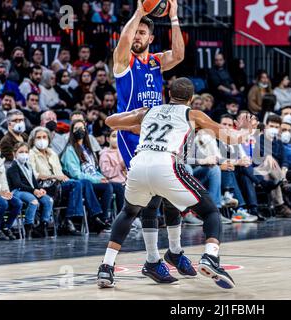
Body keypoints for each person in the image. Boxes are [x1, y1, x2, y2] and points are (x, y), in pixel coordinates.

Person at [97, 77, 257, 289]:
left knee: (128, 212)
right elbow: (231, 137)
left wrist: (139, 122)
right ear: (191, 98)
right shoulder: (193, 114)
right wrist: (246, 130)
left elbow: (111, 121)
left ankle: (106, 267)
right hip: (166, 164)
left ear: (168, 94)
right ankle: (210, 257)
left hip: (138, 164)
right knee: (210, 212)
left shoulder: (149, 111)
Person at [112, 0, 189, 283]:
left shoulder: (156, 61)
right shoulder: (123, 62)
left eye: (142, 33)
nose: (137, 37)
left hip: (157, 137)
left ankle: (171, 253)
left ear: (151, 38)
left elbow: (179, 54)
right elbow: (123, 39)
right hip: (132, 136)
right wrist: (138, 13)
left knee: (166, 197)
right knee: (149, 201)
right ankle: (154, 259)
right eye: (135, 33)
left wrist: (175, 17)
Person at [28, 126, 105, 235]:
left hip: (58, 185)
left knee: (85, 182)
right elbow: (33, 175)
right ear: (33, 140)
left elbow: (59, 173)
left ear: (49, 139)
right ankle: (68, 220)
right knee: (76, 184)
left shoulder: (52, 153)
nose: (42, 140)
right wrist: (53, 177)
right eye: (39, 137)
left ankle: (94, 216)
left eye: (44, 137)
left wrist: (64, 178)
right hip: (44, 186)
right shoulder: (31, 154)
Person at [60, 120, 114, 229]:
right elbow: (76, 174)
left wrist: (101, 178)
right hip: (80, 182)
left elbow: (94, 170)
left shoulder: (88, 150)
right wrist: (97, 180)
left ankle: (107, 219)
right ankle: (97, 217)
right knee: (96, 184)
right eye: (76, 129)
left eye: (82, 128)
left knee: (113, 186)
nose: (80, 131)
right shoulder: (70, 150)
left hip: (91, 180)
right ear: (72, 132)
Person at [7, 142, 54, 239]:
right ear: (14, 153)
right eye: (21, 152)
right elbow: (17, 184)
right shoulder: (12, 167)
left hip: (30, 191)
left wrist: (40, 189)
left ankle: (43, 225)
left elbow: (34, 182)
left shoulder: (28, 166)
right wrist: (34, 191)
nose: (24, 154)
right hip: (17, 191)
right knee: (33, 201)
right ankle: (28, 226)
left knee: (48, 200)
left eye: (26, 152)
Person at [0, 139, 22, 240]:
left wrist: (7, 191)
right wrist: (0, 192)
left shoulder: (0, 162)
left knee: (17, 203)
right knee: (3, 203)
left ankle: (6, 227)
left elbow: (3, 179)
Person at [99, 130, 126, 211]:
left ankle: (142, 217)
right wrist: (121, 165)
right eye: (114, 136)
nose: (116, 139)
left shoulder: (123, 152)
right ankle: (122, 216)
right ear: (108, 139)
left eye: (118, 136)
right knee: (121, 188)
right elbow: (106, 173)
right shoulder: (104, 154)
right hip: (113, 182)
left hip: (126, 181)